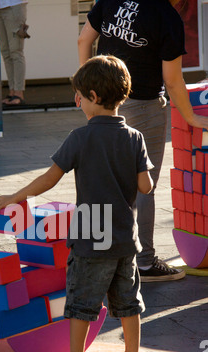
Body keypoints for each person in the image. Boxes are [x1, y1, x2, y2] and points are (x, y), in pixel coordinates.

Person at [0, 55, 154, 352]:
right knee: (128, 300)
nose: (76, 101)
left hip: (92, 232)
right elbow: (145, 186)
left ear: (92, 96)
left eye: (78, 95)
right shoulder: (134, 137)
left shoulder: (80, 137)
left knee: (81, 302)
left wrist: (14, 198)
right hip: (124, 236)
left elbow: (50, 179)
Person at [78, 0, 208, 282]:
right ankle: (145, 261)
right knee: (142, 182)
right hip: (142, 106)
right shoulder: (166, 15)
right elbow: (172, 81)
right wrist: (192, 117)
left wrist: (86, 86)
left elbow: (84, 39)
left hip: (100, 101)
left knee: (106, 178)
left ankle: (101, 253)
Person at [0, 0, 28, 108]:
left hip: (14, 6)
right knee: (6, 52)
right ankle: (12, 92)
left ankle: (19, 93)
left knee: (16, 51)